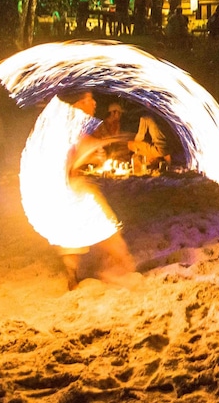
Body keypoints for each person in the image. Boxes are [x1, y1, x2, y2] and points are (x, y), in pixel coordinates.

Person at [58, 90, 136, 290]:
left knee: (71, 233)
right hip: (74, 185)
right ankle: (126, 270)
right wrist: (95, 152)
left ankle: (73, 278)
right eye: (88, 99)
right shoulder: (73, 122)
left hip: (68, 186)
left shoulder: (71, 121)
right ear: (79, 102)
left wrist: (96, 151)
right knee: (106, 227)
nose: (94, 102)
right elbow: (75, 150)